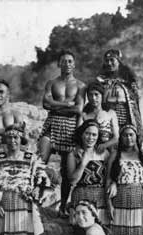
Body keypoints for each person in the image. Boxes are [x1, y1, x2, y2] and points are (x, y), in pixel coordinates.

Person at [39, 51, 86, 217]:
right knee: (39, 163)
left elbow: (78, 109)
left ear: (74, 64)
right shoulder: (52, 83)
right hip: (52, 123)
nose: (67, 64)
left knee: (67, 172)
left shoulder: (80, 86)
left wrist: (56, 105)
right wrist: (67, 104)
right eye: (64, 61)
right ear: (59, 64)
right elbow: (45, 103)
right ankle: (36, 199)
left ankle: (63, 206)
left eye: (70, 61)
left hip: (71, 126)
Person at [67, 120, 110, 225]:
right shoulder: (73, 154)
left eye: (94, 134)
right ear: (81, 134)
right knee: (81, 233)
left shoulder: (104, 153)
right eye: (87, 133)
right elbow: (72, 181)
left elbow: (109, 177)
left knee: (100, 231)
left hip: (100, 198)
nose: (90, 138)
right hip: (80, 196)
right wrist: (83, 163)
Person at [96, 49, 143, 145]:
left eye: (112, 60)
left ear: (119, 61)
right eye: (107, 61)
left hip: (127, 119)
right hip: (107, 120)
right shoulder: (100, 80)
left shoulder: (130, 80)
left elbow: (135, 102)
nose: (109, 63)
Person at [80, 81, 119, 153]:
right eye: (90, 95)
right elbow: (79, 135)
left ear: (102, 95)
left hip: (107, 149)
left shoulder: (110, 113)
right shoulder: (84, 115)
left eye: (96, 94)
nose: (93, 98)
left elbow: (116, 137)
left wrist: (105, 145)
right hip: (88, 149)